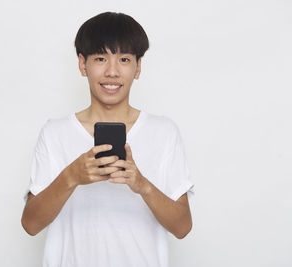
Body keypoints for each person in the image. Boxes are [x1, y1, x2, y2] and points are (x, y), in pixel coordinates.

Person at [21, 11, 195, 267]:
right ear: (83, 64)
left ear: (138, 67)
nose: (112, 71)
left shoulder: (164, 132)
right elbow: (31, 225)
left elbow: (182, 227)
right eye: (100, 58)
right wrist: (71, 177)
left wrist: (141, 184)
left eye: (124, 59)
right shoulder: (54, 133)